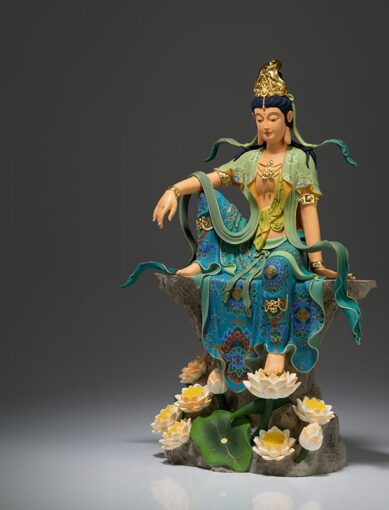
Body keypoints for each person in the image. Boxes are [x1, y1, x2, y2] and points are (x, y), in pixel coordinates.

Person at [122, 60, 362, 392]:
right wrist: (174, 189)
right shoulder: (250, 160)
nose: (266, 125)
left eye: (273, 117)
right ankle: (206, 260)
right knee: (208, 196)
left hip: (286, 247)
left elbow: (309, 211)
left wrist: (317, 263)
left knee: (276, 271)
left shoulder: (300, 160)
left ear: (288, 117)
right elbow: (210, 179)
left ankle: (275, 348)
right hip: (249, 242)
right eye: (259, 118)